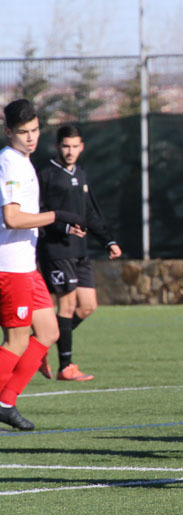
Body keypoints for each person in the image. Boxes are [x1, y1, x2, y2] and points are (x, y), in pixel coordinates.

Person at [0, 99, 85, 431]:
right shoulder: (10, 163)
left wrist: (57, 223)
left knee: (49, 331)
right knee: (17, 340)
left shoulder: (23, 161)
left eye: (35, 130)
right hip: (11, 267)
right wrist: (56, 216)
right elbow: (12, 218)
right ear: (9, 132)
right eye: (23, 132)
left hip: (26, 266)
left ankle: (6, 402)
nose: (31, 137)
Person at [37, 124, 122, 382]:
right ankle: (66, 367)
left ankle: (39, 344)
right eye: (66, 146)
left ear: (82, 147)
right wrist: (64, 227)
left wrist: (108, 241)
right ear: (57, 146)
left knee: (87, 306)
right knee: (67, 304)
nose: (70, 151)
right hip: (57, 250)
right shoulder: (46, 175)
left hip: (80, 252)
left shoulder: (80, 174)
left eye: (75, 146)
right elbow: (37, 213)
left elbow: (89, 213)